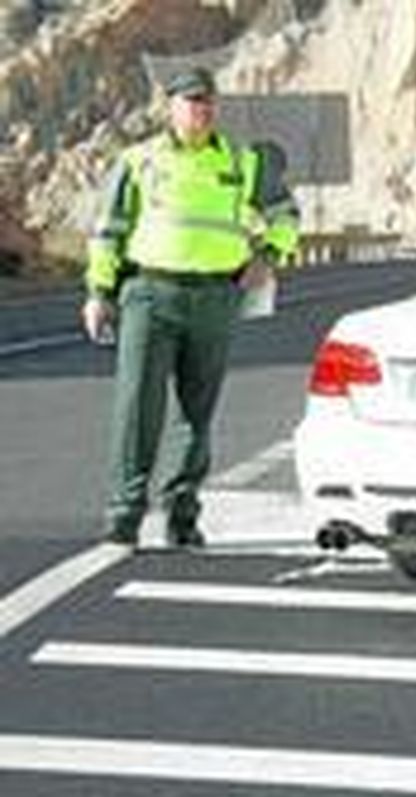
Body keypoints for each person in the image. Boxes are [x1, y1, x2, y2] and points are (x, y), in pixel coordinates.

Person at [81, 66, 299, 549]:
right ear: (171, 106)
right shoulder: (139, 160)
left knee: (196, 413)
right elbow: (109, 230)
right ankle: (124, 514)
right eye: (192, 100)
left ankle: (182, 515)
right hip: (149, 294)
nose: (202, 108)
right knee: (138, 407)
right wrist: (99, 293)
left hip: (214, 298)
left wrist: (268, 255)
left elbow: (286, 216)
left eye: (208, 100)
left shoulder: (243, 161)